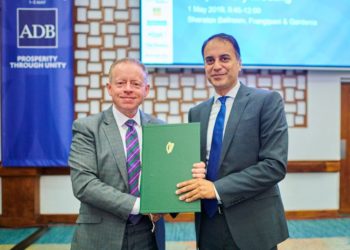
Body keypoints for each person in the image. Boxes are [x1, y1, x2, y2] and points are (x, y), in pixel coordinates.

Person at [69, 58, 205, 250]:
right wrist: (140, 206)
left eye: (135, 83)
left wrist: (191, 176)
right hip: (100, 234)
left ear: (146, 90)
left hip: (149, 233)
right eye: (121, 83)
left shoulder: (162, 130)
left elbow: (168, 181)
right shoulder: (87, 128)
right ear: (109, 88)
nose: (128, 89)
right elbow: (84, 184)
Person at [176, 33, 289, 250]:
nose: (216, 66)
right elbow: (195, 165)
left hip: (252, 225)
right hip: (208, 225)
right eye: (210, 60)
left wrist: (216, 189)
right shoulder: (196, 113)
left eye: (224, 58)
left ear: (239, 63)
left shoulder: (266, 102)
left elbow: (274, 166)